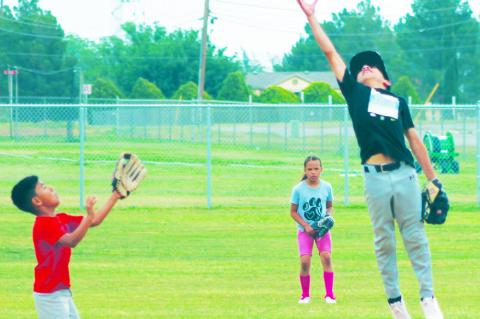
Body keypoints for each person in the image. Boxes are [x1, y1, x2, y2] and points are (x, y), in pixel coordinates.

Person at [296, 1, 445, 318]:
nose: (365, 67)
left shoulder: (397, 101)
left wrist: (433, 179)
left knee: (415, 238)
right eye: (361, 66)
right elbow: (331, 55)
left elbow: (415, 140)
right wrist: (312, 19)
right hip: (374, 178)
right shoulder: (354, 93)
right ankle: (396, 305)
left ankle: (429, 301)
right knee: (385, 242)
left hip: (405, 175)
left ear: (385, 79)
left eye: (372, 66)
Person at [11, 175, 122, 319]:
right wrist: (88, 217)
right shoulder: (43, 225)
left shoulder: (61, 219)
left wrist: (115, 195)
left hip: (61, 290)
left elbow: (94, 221)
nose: (51, 188)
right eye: (44, 187)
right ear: (37, 201)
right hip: (49, 295)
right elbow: (71, 241)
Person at [290, 155, 336, 304]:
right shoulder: (298, 189)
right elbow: (293, 212)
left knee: (327, 258)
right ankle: (305, 295)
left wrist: (327, 218)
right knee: (304, 261)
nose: (313, 172)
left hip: (322, 231)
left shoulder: (327, 187)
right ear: (305, 170)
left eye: (316, 169)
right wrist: (306, 226)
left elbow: (329, 207)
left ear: (321, 169)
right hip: (305, 231)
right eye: (309, 169)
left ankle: (329, 294)